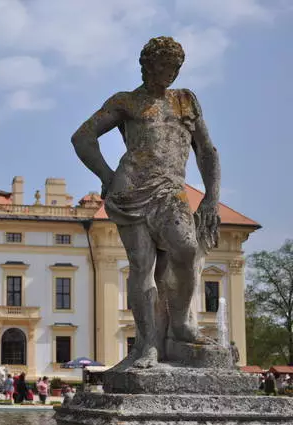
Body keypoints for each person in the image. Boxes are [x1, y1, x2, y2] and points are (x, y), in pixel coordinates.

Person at [72, 36, 221, 369]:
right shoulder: (126, 101)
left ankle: (180, 323)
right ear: (146, 66)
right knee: (142, 268)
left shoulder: (186, 102)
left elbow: (207, 151)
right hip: (131, 189)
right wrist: (108, 177)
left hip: (171, 190)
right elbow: (82, 137)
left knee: (185, 250)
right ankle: (148, 345)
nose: (168, 74)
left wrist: (211, 198)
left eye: (174, 68)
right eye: (162, 67)